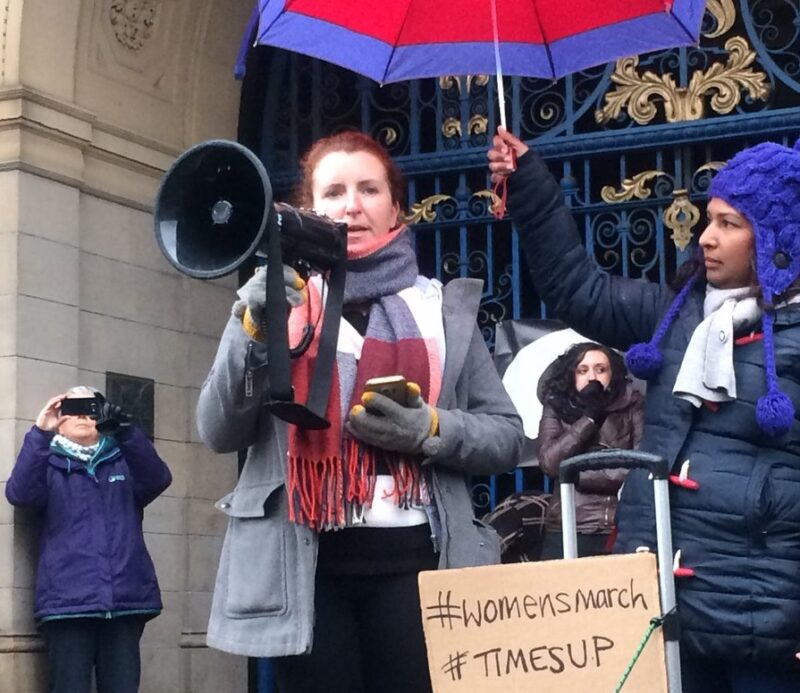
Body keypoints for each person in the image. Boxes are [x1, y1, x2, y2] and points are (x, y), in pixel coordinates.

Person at [196, 130, 524, 692]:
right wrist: (252, 332)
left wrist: (432, 429)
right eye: (335, 192)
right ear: (309, 209)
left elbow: (507, 438)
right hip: (304, 570)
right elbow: (217, 429)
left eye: (370, 189)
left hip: (419, 566)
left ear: (396, 205)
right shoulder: (278, 298)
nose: (352, 205)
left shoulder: (440, 312)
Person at [488, 128, 800, 691]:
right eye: (709, 219)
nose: (706, 237)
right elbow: (577, 289)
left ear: (777, 235)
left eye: (729, 225)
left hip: (768, 616)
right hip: (662, 597)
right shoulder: (674, 314)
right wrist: (529, 183)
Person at [5, 386, 172, 693]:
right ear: (60, 417)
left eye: (91, 407)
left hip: (125, 600)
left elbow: (157, 478)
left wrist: (126, 432)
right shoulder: (48, 463)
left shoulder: (124, 460)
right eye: (73, 407)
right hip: (68, 603)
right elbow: (20, 494)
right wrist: (41, 432)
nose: (83, 414)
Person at [537, 342, 644, 559]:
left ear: (612, 375)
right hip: (568, 526)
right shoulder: (556, 406)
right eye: (582, 370)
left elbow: (641, 467)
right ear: (571, 375)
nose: (592, 377)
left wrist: (581, 475)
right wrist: (590, 419)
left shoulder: (632, 405)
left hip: (618, 524)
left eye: (600, 369)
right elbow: (550, 463)